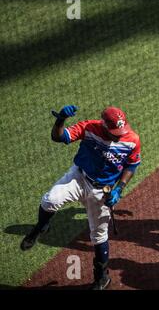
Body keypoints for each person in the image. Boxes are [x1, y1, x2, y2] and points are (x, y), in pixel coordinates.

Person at [20, 105, 141, 290]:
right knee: (49, 201)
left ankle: (102, 278)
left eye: (121, 130)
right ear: (104, 125)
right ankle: (41, 227)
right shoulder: (90, 127)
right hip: (78, 177)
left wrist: (120, 189)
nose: (119, 135)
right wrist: (60, 120)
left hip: (102, 191)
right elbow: (58, 137)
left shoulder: (132, 140)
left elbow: (131, 166)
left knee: (99, 236)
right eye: (115, 132)